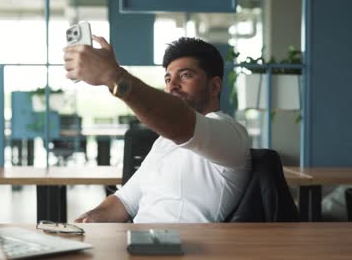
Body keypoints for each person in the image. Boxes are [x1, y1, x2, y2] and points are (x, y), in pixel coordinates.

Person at [63, 36, 251, 223]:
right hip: (142, 243)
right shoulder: (164, 142)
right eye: (168, 78)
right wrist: (88, 220)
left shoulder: (231, 134)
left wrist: (113, 76)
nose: (172, 85)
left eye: (185, 75)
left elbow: (181, 122)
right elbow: (125, 201)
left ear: (215, 86)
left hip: (185, 249)